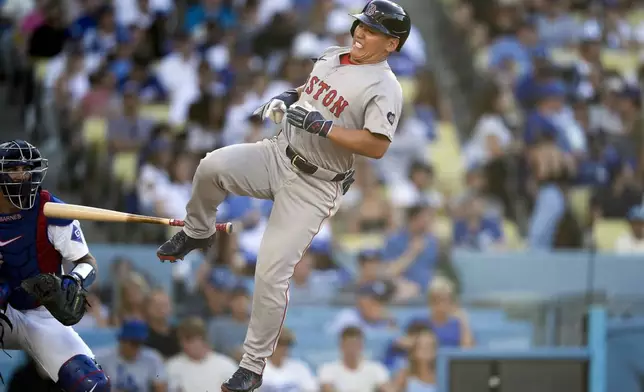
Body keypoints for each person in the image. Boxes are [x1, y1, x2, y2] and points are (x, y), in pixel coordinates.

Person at [156, 1, 411, 391]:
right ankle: (198, 231)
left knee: (270, 271)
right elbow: (308, 93)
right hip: (279, 153)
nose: (360, 33)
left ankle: (253, 366)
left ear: (391, 44)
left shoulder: (385, 87)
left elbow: (376, 145)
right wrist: (289, 99)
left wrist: (322, 127)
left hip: (315, 184)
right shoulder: (332, 56)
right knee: (210, 167)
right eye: (360, 24)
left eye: (372, 31)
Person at [0, 139, 110, 391]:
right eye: (13, 169)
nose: (21, 176)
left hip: (41, 313)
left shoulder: (51, 211)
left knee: (92, 385)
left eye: (26, 169)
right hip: (2, 311)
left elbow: (87, 262)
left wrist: (74, 280)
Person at [166, 317, 238, 392]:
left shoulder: (227, 365)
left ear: (204, 339)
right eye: (182, 340)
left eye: (189, 339)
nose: (184, 345)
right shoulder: (172, 366)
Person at [98, 319, 168, 392]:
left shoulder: (152, 358)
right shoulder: (103, 358)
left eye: (140, 343)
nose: (137, 347)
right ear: (122, 340)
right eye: (134, 343)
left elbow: (161, 387)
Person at [318, 326, 393, 392]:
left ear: (361, 346)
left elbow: (387, 388)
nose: (352, 349)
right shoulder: (328, 369)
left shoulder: (376, 368)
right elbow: (327, 388)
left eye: (355, 345)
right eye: (349, 345)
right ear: (341, 346)